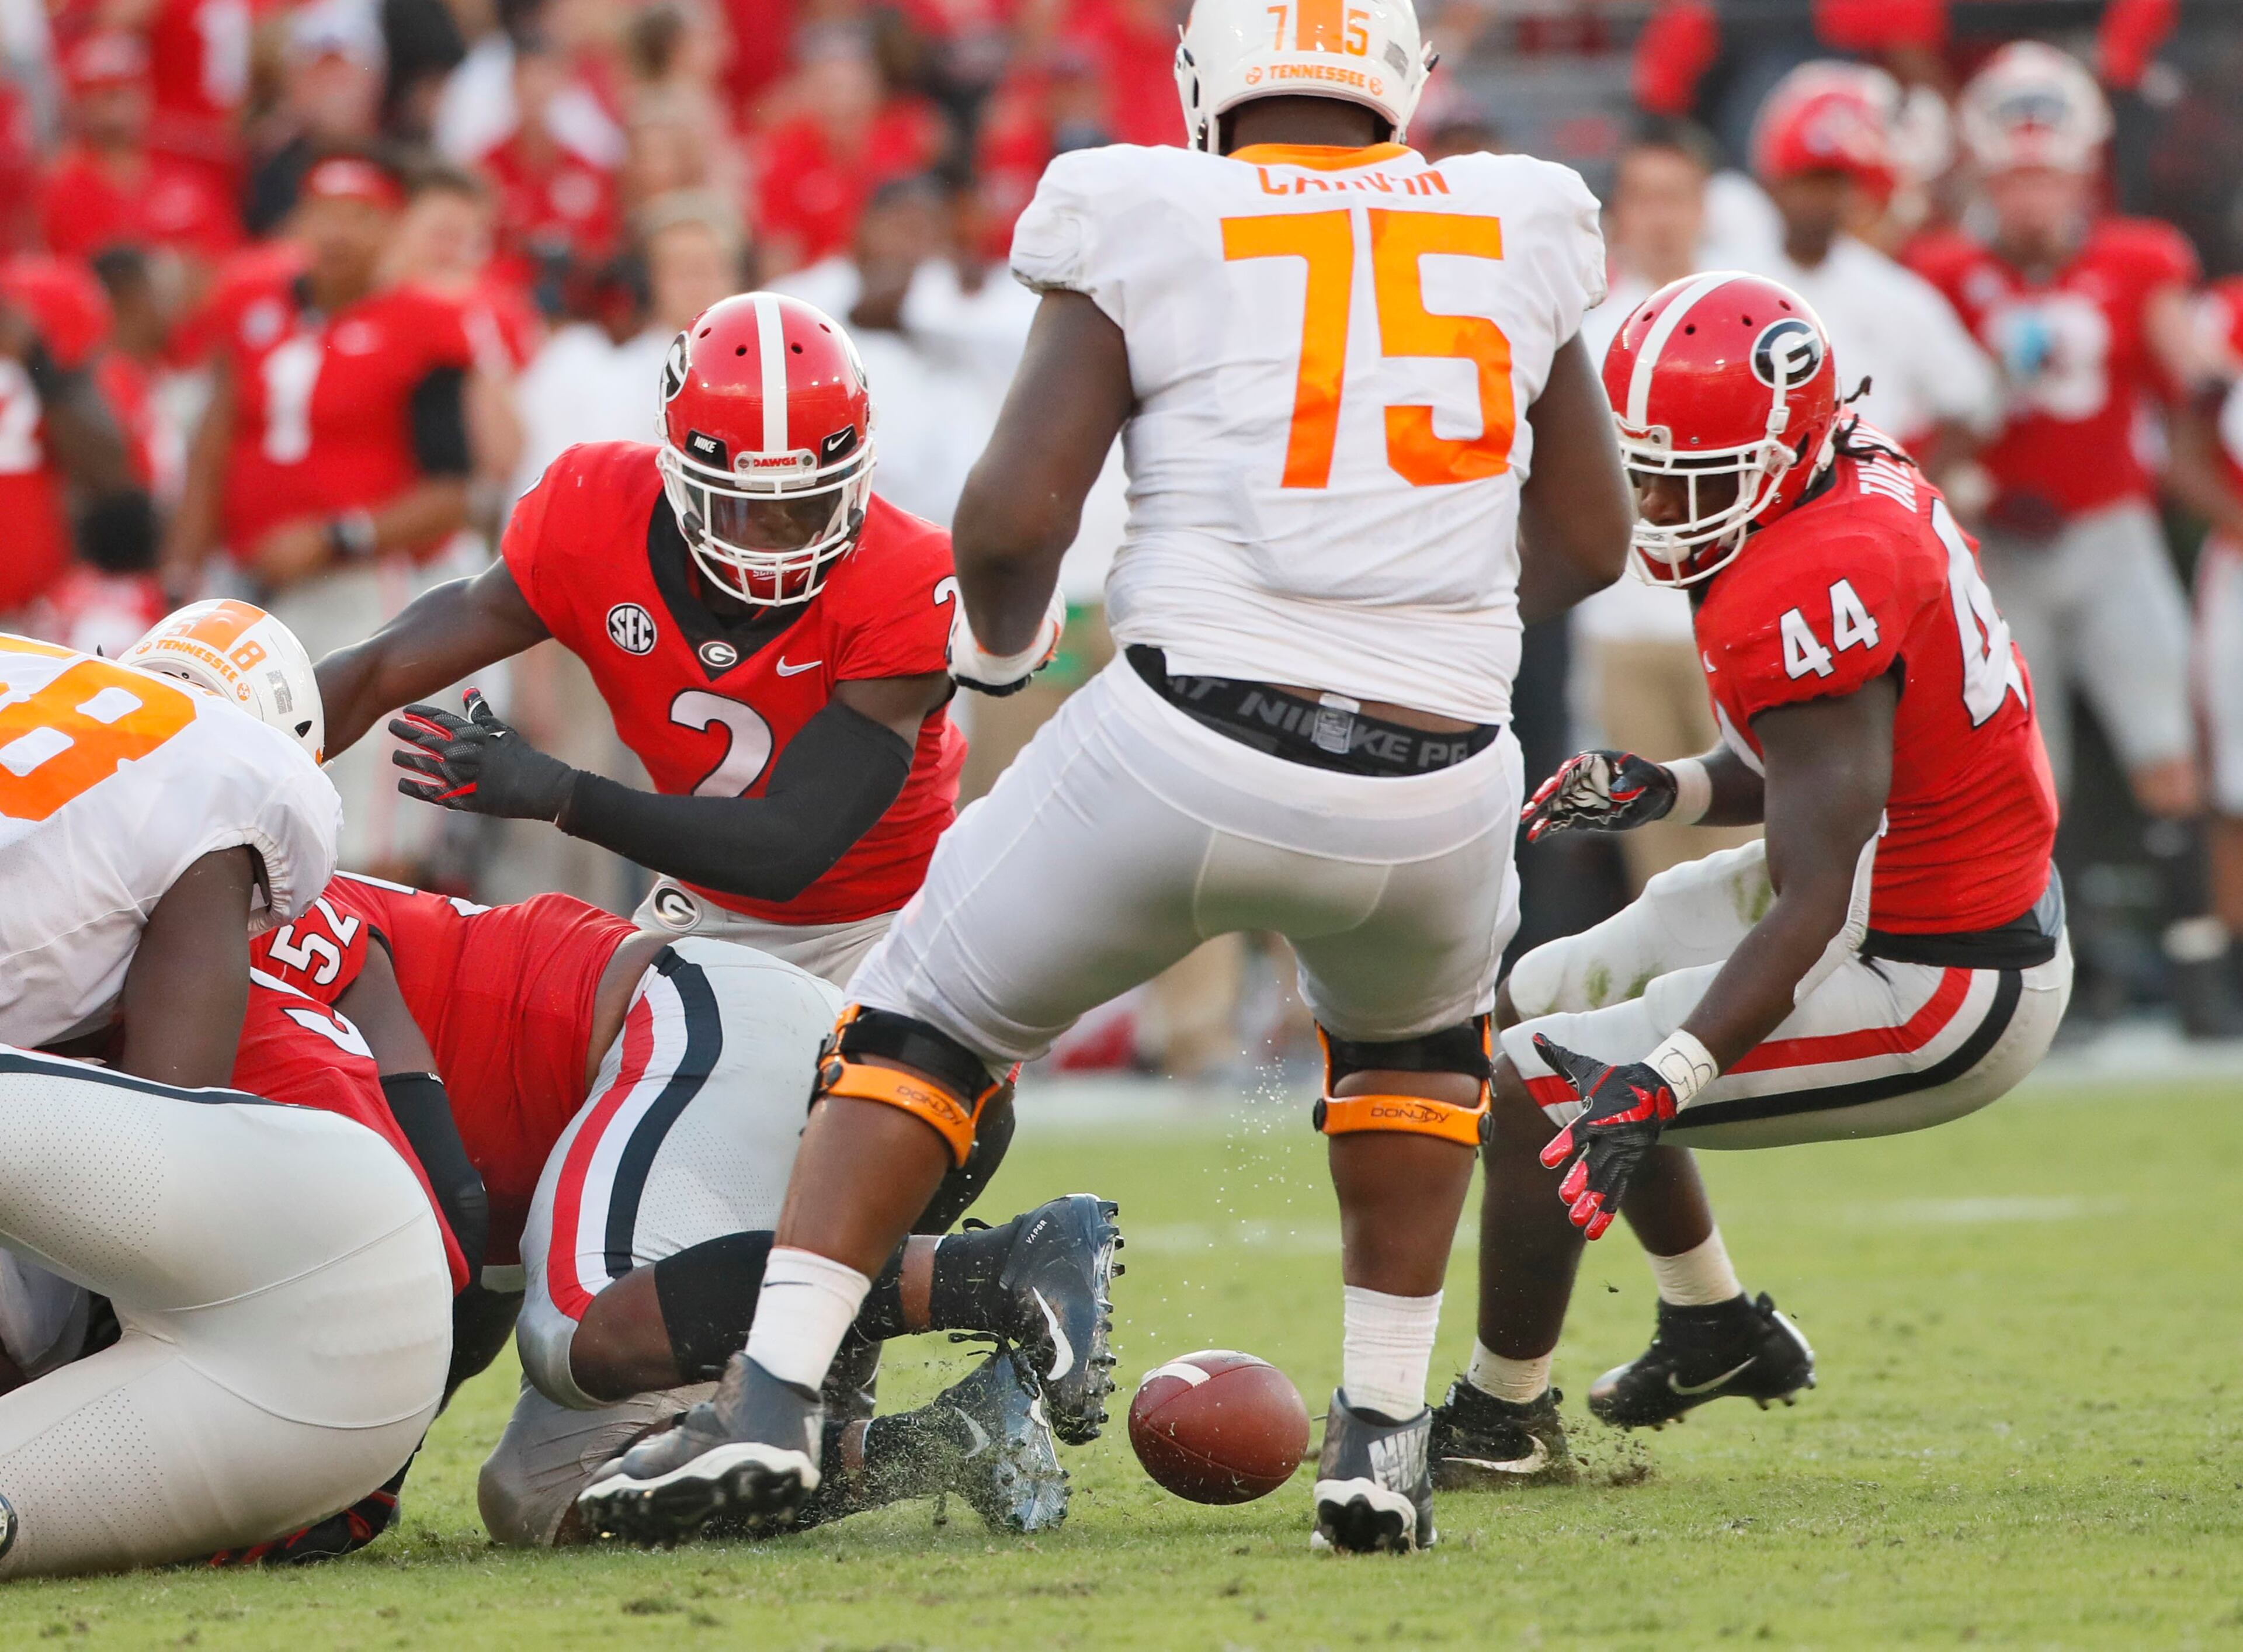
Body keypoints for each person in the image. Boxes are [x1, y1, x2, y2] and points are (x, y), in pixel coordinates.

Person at [579, 0, 1631, 1556]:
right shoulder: (1517, 210)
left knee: (919, 1024)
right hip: (1443, 774)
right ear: (1398, 81)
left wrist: (999, 653)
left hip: (1188, 735)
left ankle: (775, 1401)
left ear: (1210, 77)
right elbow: (1595, 542)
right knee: (1415, 1057)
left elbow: (1012, 517)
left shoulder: (1147, 202)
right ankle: (1385, 1434)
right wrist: (1422, 632)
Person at [1426, 275, 2071, 1489]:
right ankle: (1714, 1324)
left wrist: (1665, 1077)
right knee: (1548, 992)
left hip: (1941, 969)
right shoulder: (1840, 478)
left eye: (1690, 476)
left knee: (1541, 1085)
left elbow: (1816, 887)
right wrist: (1666, 788)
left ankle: (1499, 1424)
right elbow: (1816, 765)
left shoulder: (1818, 574)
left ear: (1782, 446)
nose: (1660, 504)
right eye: (1647, 470)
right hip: (1885, 876)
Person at [245, 872, 1118, 1546]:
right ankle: (947, 1440)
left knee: (581, 1332)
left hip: (697, 1025)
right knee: (549, 1499)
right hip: (687, 1101)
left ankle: (997, 1268)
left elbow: (449, 1213)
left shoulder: (256, 920)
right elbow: (473, 1276)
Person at [315, 293, 963, 990]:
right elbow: (381, 666)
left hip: (884, 921)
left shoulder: (907, 574)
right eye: (745, 509)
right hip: (707, 909)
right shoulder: (595, 509)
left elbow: (790, 849)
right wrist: (254, 747)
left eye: (806, 505)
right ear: (679, 472)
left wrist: (562, 793)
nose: (778, 538)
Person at [0, 613, 453, 1578]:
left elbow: (148, 1151)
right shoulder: (220, 800)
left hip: (321, 1316)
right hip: (347, 1306)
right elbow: (155, 1138)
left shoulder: (180, 788)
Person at [1909, 42, 2239, 1037]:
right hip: (1997, 545)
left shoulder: (2138, 258)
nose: (2031, 195)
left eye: (2046, 173)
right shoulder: (1942, 269)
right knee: (2024, 770)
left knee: (2166, 756)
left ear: (2084, 168)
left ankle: (2197, 969)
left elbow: (2192, 372)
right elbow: (1925, 417)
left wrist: (2206, 376)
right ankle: (2062, 979)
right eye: (2014, 174)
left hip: (2111, 529)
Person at [162, 150, 482, 883]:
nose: (340, 231)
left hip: (370, 581)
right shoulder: (253, 306)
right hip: (252, 585)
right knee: (241, 779)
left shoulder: (423, 324)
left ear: (389, 228)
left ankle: (370, 960)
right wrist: (183, 571)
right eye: (326, 212)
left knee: (366, 793)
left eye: (360, 215)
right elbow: (213, 446)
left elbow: (455, 488)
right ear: (301, 220)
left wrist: (337, 535)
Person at [1572, 119, 1762, 894]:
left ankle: (1779, 1015)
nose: (1659, 216)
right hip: (1625, 620)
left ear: (1703, 206)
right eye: (1643, 198)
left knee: (1760, 844)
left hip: (1738, 613)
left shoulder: (1756, 316)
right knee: (1655, 860)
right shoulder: (1583, 329)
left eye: (1675, 197)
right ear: (1618, 212)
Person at [1742, 65, 1998, 477]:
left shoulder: (1893, 292)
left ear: (1852, 193)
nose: (1816, 200)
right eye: (1805, 181)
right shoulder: (1731, 283)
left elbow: (1971, 401)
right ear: (1774, 182)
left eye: (1831, 184)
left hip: (1863, 498)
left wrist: (1916, 484)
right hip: (1754, 496)